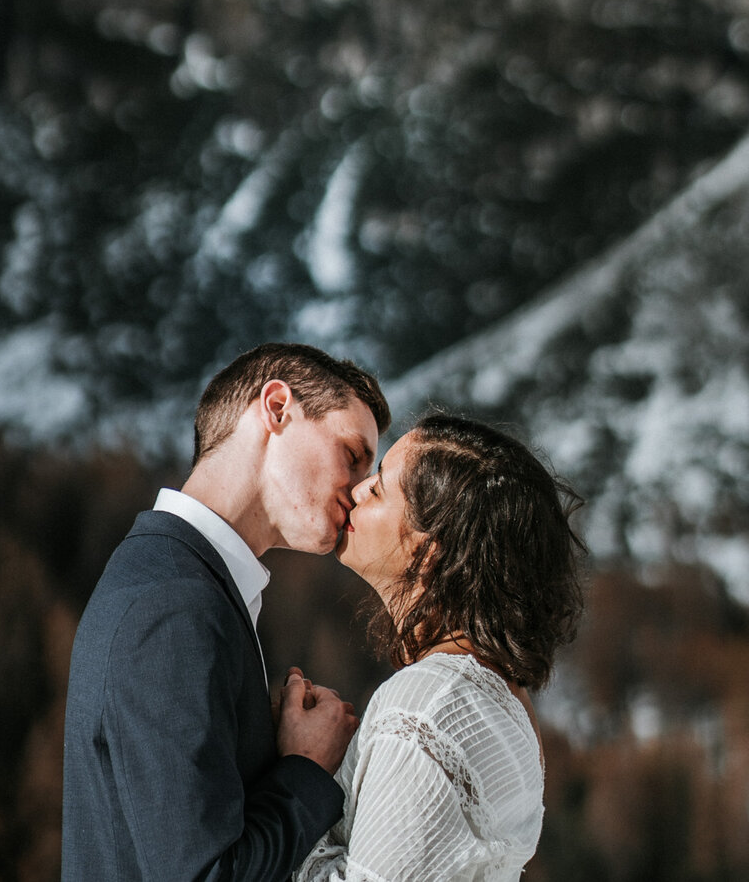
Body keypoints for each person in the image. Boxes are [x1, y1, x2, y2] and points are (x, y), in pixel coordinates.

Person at [61, 341, 392, 882]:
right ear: (278, 408)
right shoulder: (174, 606)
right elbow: (205, 874)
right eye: (352, 456)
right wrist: (306, 769)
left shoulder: (174, 580)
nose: (358, 491)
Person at [295, 412, 585, 882]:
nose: (358, 489)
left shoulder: (428, 708)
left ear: (430, 552)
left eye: (382, 485)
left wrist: (301, 773)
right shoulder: (507, 701)